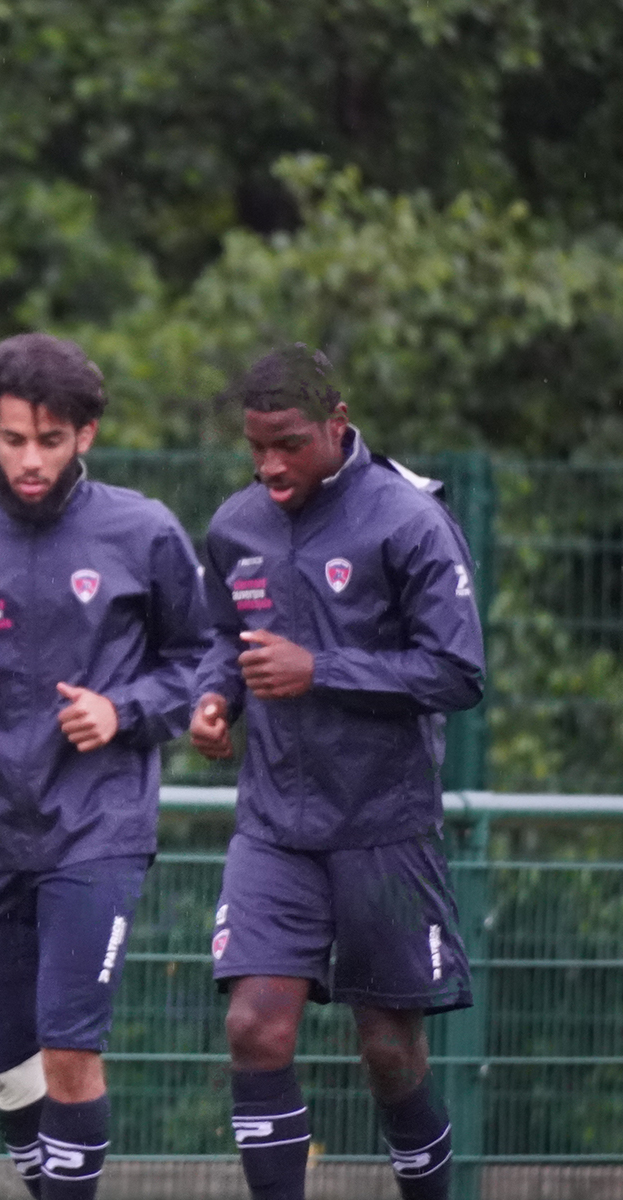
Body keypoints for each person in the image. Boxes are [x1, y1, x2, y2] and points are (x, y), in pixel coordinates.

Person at [0, 334, 210, 1199]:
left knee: (68, 1047)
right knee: (7, 1068)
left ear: (84, 435)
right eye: (13, 439)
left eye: (50, 441)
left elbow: (199, 660)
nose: (30, 460)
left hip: (98, 827)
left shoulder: (144, 531)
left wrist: (122, 710)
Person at [188, 345, 486, 1200]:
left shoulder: (408, 521)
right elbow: (224, 637)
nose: (270, 465)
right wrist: (215, 699)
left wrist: (319, 669)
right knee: (254, 1028)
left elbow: (457, 672)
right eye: (257, 447)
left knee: (390, 1052)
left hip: (384, 829)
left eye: (289, 444)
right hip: (274, 828)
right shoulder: (236, 526)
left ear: (337, 424)